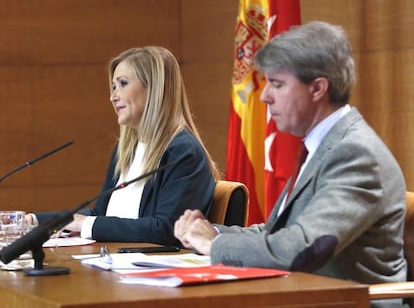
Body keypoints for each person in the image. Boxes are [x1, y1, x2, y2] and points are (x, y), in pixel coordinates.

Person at [174, 21, 407, 307]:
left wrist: (213, 245)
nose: (264, 96)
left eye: (277, 84)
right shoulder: (322, 146)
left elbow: (303, 248)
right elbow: (276, 234)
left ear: (318, 88)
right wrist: (211, 230)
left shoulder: (355, 153)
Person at [27, 46, 220, 245]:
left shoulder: (182, 151)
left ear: (154, 88)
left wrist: (86, 225)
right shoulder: (125, 149)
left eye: (122, 84)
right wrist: (34, 221)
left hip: (153, 271)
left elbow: (166, 229)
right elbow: (101, 214)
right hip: (115, 262)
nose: (113, 96)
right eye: (113, 87)